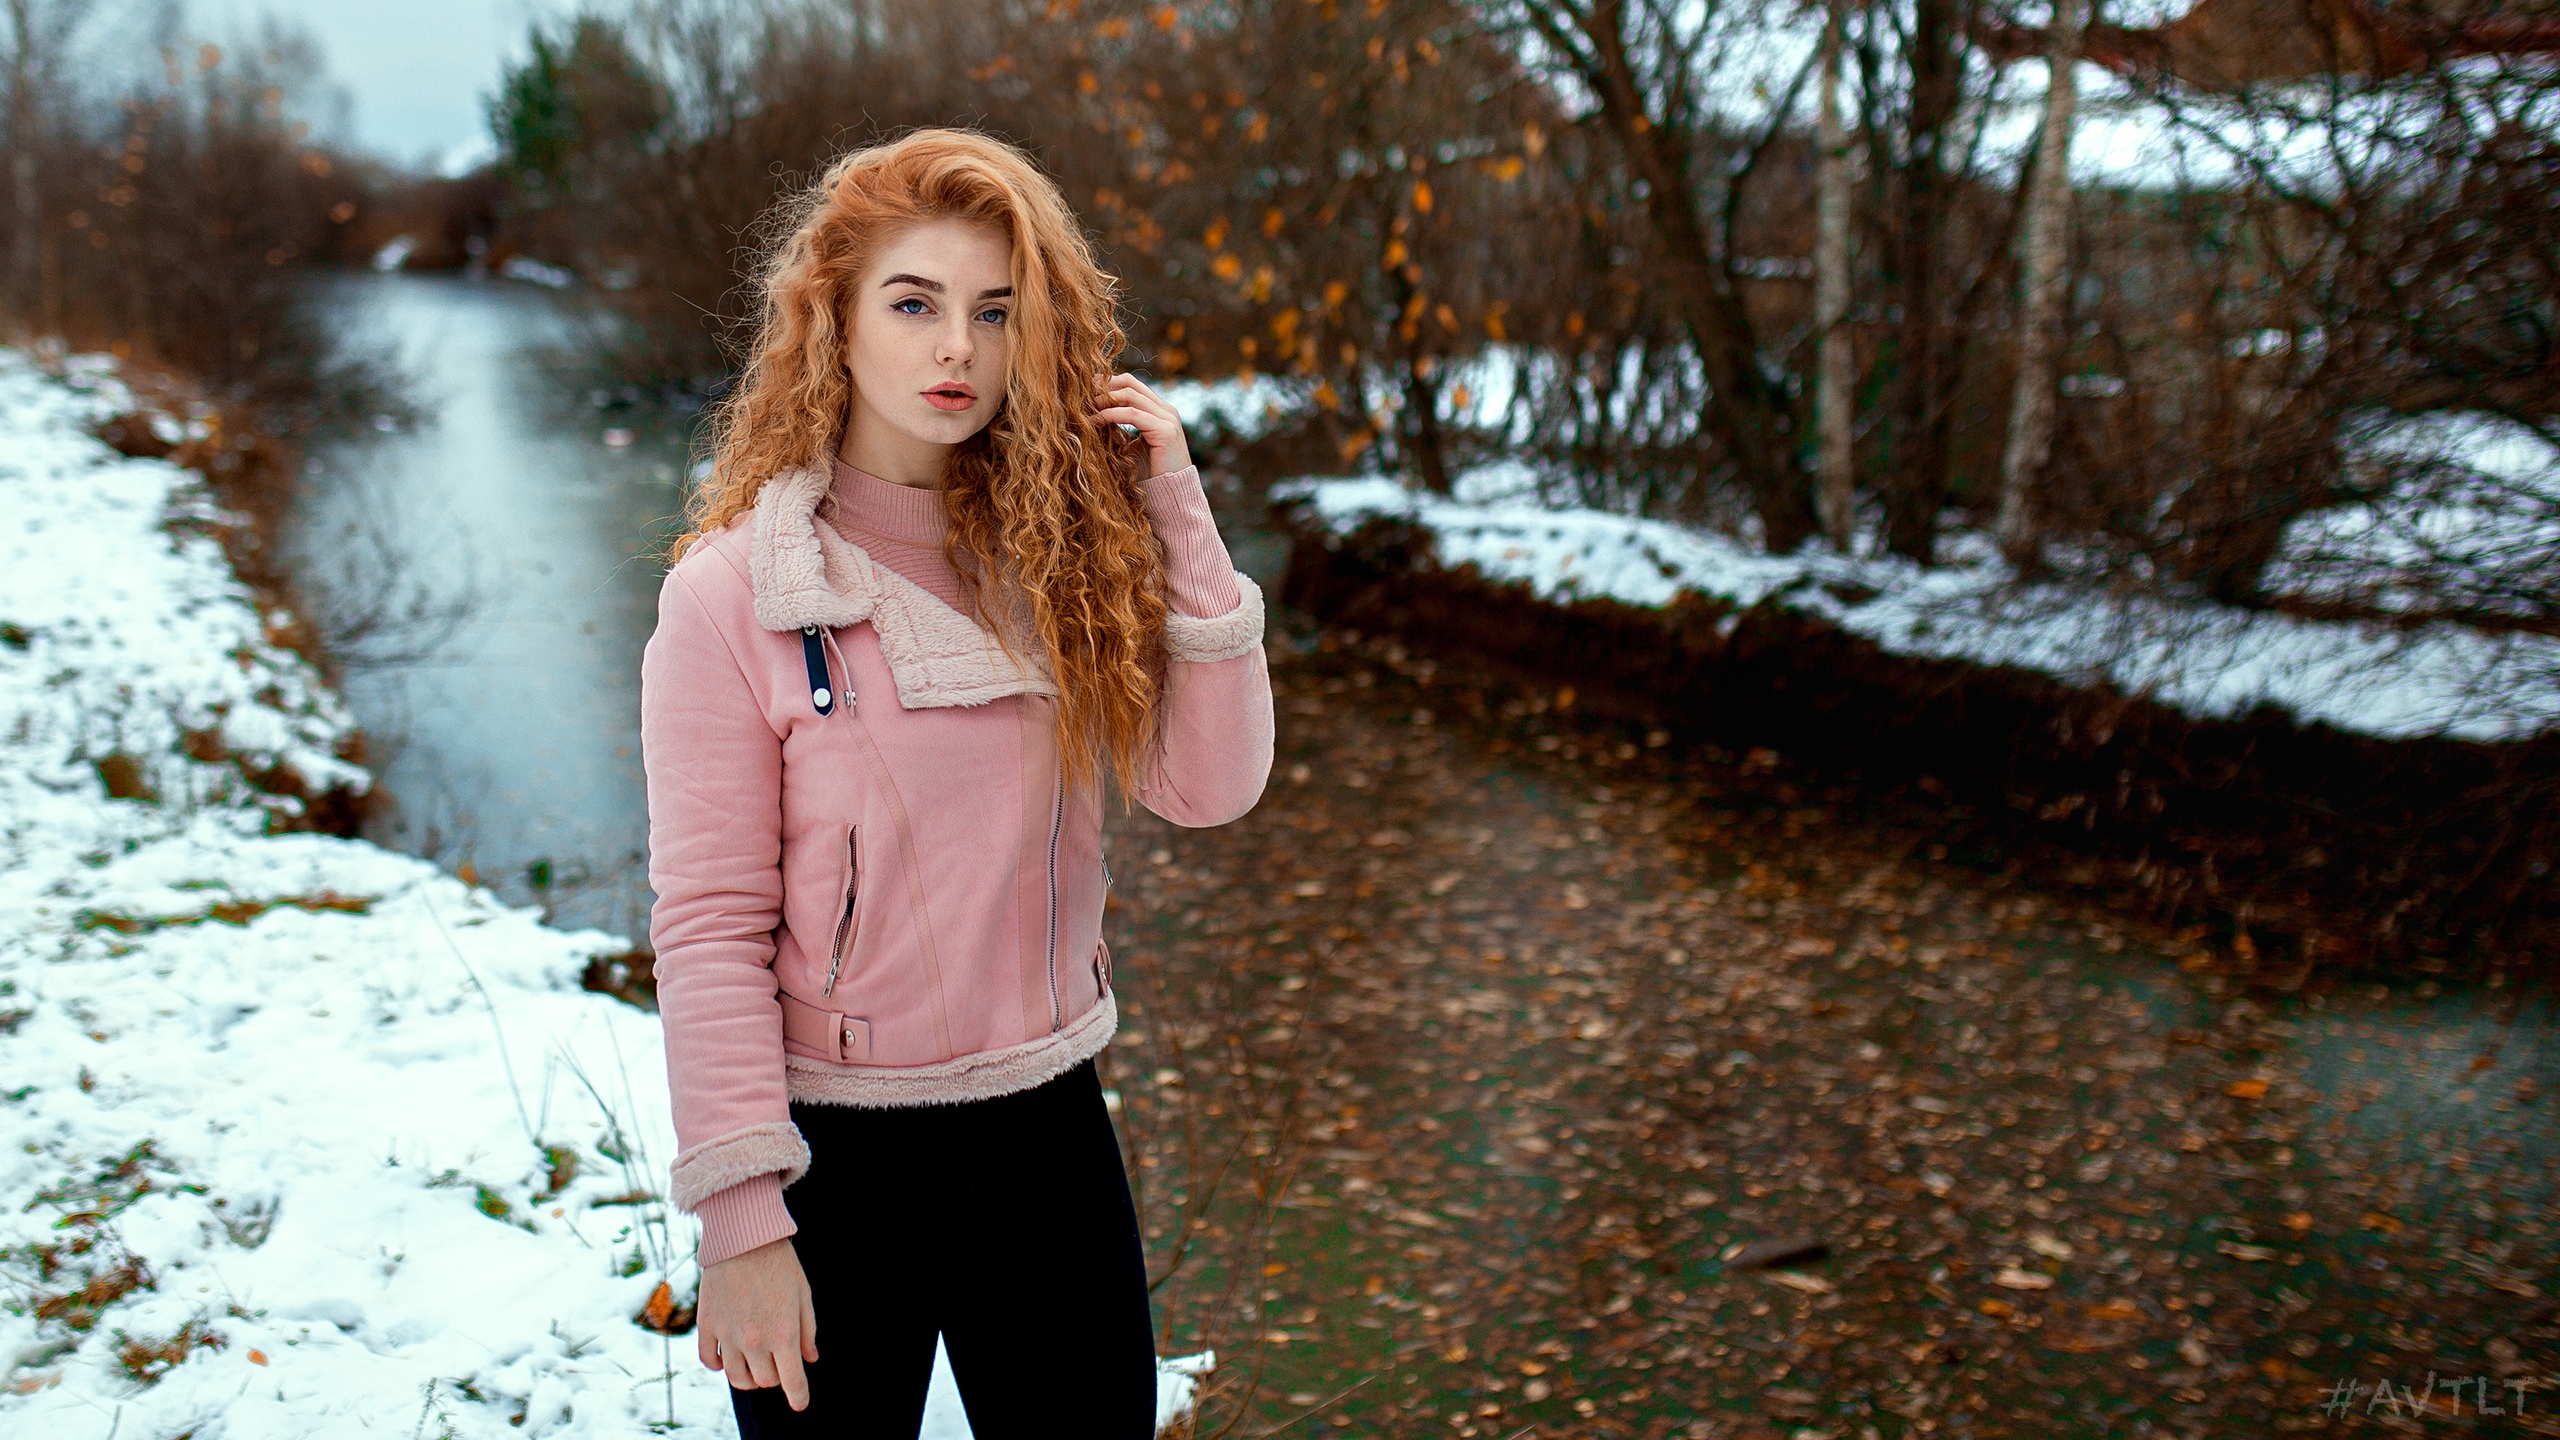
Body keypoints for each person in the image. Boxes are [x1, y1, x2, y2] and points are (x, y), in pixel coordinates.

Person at [639, 127, 1274, 1437]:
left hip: (1049, 1132)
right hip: (836, 1158)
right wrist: (741, 1225)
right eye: (915, 303)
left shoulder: (1058, 558)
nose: (957, 351)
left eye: (995, 313)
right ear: (834, 320)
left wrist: (1176, 512)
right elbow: (706, 929)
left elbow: (1210, 787)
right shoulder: (731, 595)